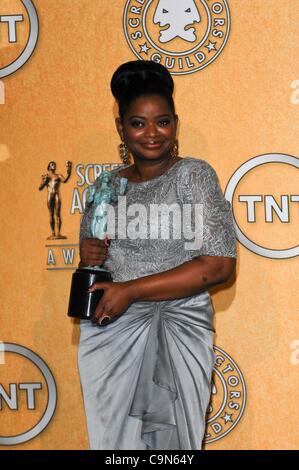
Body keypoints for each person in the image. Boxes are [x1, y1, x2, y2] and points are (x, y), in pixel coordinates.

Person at [78, 60, 236, 450]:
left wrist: (131, 290)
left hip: (179, 327)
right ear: (121, 127)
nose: (152, 133)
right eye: (138, 123)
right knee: (115, 445)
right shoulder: (104, 186)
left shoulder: (193, 176)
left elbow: (218, 265)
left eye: (162, 122)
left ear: (176, 124)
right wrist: (88, 258)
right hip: (111, 336)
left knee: (175, 447)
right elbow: (95, 273)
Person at [39, 161, 72, 239]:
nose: (54, 165)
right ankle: (53, 233)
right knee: (51, 214)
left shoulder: (58, 176)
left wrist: (69, 173)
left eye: (54, 164)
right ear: (49, 167)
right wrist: (44, 181)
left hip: (56, 195)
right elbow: (40, 188)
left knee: (58, 214)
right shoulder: (46, 176)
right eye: (52, 165)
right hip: (50, 195)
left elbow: (65, 180)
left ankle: (59, 233)